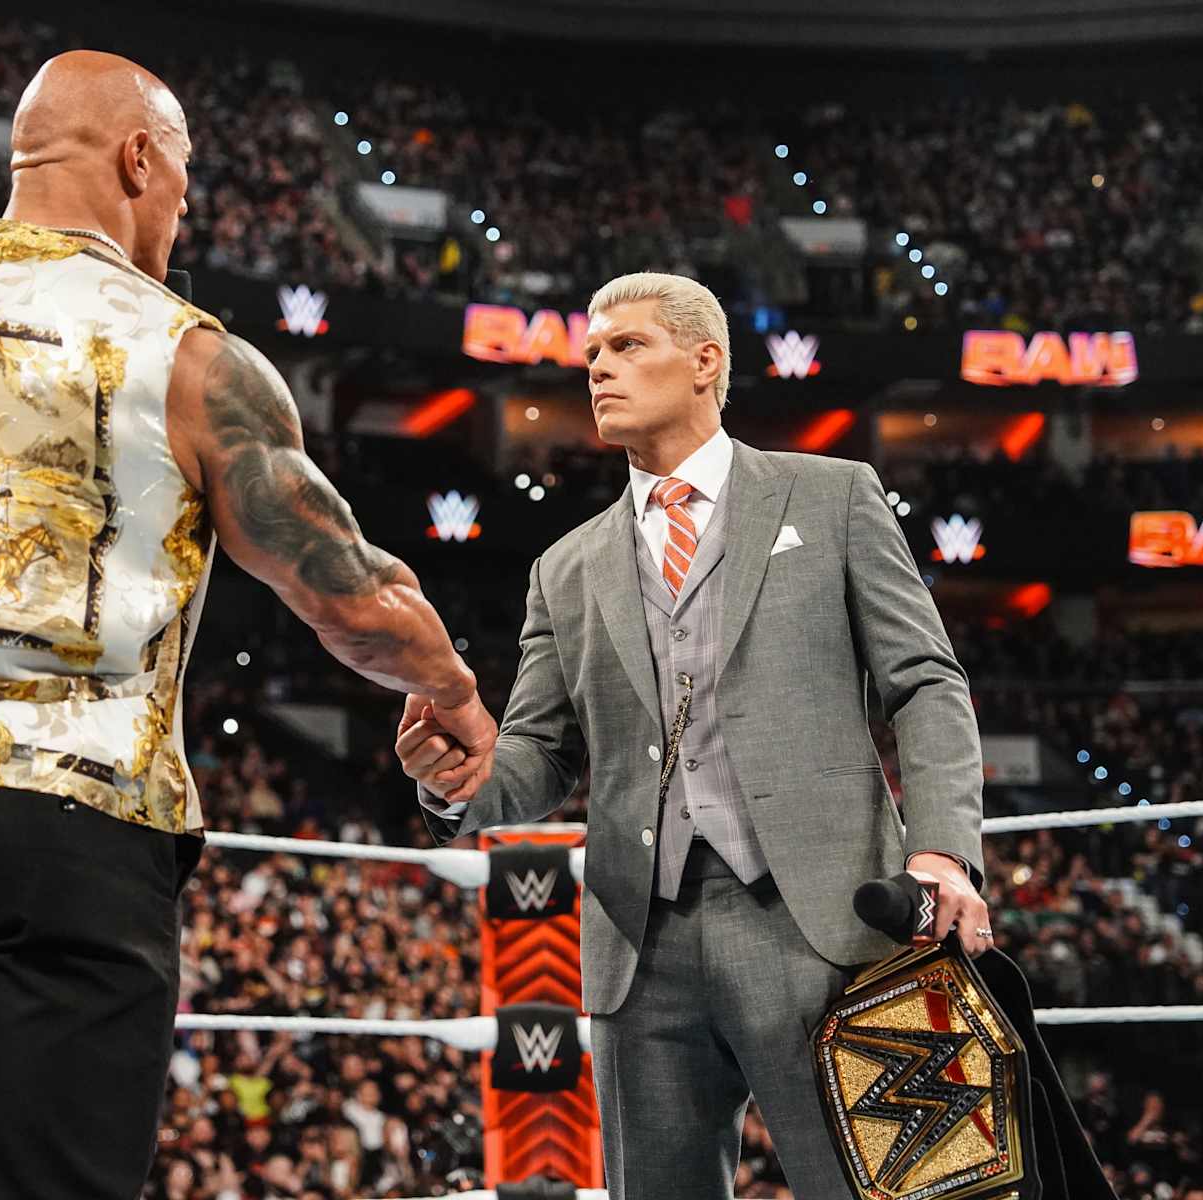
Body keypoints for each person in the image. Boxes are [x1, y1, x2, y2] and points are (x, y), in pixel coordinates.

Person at [0, 49, 492, 1199]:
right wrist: (451, 690)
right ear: (138, 158)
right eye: (184, 180)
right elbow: (347, 595)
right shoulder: (184, 351)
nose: (185, 209)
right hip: (72, 811)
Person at [396, 272, 991, 1198]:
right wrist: (459, 781)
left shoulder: (832, 496)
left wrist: (945, 852)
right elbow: (541, 757)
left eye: (627, 347)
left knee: (880, 1190)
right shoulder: (565, 566)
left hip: (828, 924)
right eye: (591, 353)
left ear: (706, 361)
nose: (598, 368)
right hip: (643, 950)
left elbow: (925, 682)